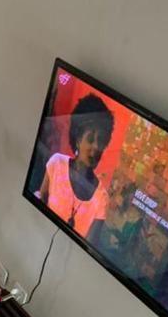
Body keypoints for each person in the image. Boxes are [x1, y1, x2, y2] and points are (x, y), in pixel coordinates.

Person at [36, 93, 116, 244]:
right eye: (91, 139)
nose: (96, 147)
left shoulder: (101, 199)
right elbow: (41, 202)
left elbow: (88, 248)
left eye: (102, 141)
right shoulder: (56, 163)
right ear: (78, 138)